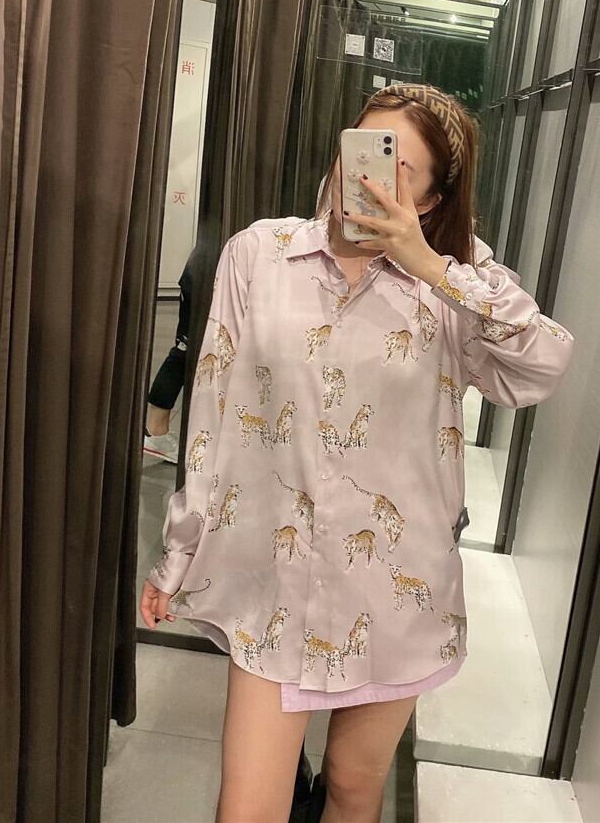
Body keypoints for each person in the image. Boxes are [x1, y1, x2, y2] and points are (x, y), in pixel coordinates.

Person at [139, 82, 575, 822]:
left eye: (400, 168)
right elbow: (212, 415)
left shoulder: (455, 281)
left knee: (351, 786)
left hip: (395, 588)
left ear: (431, 199)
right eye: (364, 147)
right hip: (273, 578)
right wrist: (180, 550)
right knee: (246, 809)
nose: (368, 176)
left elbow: (543, 364)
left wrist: (431, 265)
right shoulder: (260, 254)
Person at [143, 244, 204, 464]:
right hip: (202, 275)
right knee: (184, 350)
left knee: (183, 349)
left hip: (198, 271)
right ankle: (156, 431)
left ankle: (156, 430)